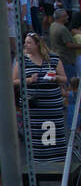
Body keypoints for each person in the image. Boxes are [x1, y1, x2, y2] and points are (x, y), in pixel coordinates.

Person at [12, 32, 68, 164]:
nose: (26, 45)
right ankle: (38, 166)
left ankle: (56, 164)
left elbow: (64, 79)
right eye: (25, 42)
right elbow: (13, 81)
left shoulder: (53, 59)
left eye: (29, 42)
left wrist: (55, 77)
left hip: (52, 108)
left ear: (38, 44)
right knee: (35, 138)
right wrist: (29, 80)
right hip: (33, 108)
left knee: (53, 136)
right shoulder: (22, 60)